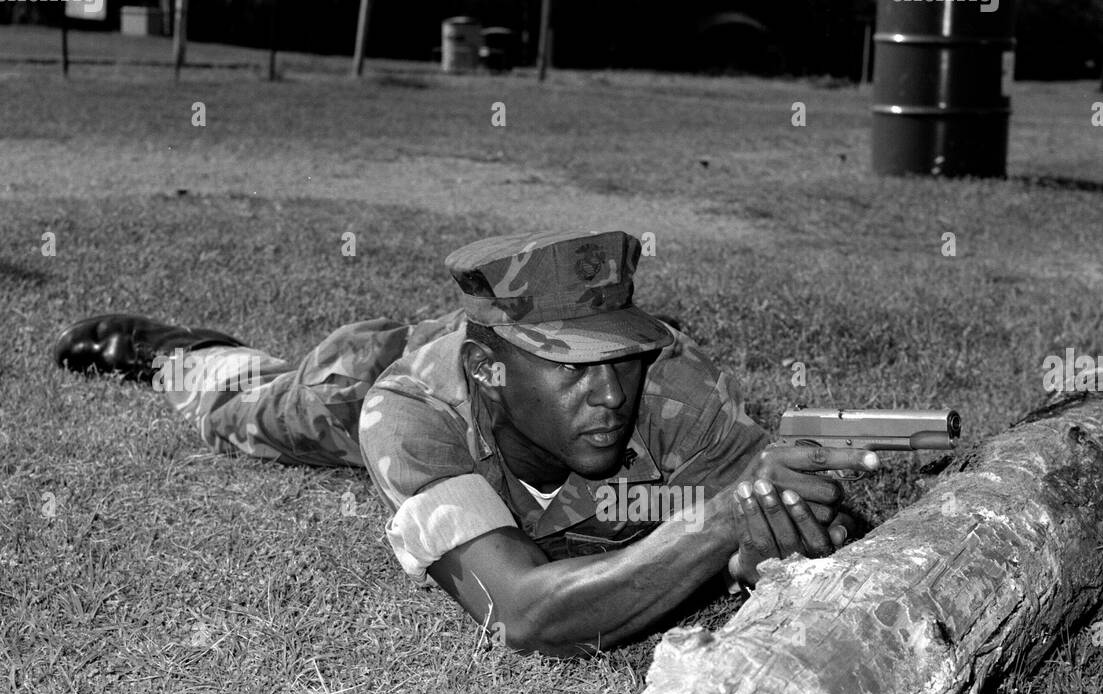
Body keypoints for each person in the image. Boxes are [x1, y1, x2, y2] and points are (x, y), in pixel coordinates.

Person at [53, 229, 878, 656]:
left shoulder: (671, 388)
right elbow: (521, 614)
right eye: (572, 368)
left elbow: (778, 516)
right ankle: (179, 353)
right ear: (490, 368)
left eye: (621, 360)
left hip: (475, 361)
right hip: (361, 384)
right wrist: (715, 528)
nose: (610, 396)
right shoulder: (412, 417)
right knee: (252, 412)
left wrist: (783, 537)